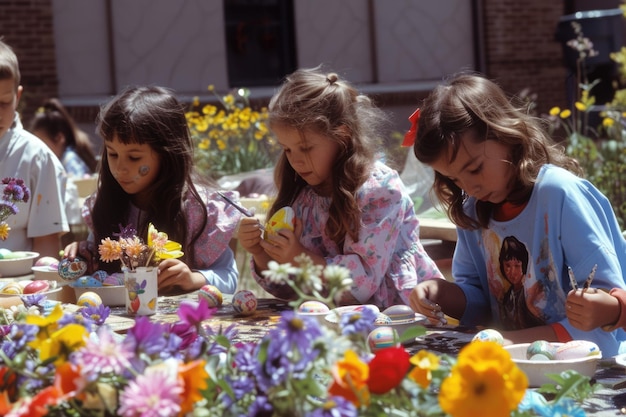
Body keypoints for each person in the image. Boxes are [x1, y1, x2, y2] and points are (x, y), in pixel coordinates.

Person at [406, 72, 626, 357]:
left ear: (506, 135)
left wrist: (609, 308)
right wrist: (439, 292)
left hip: (587, 367)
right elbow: (479, 301)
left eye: (474, 169)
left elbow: (602, 317)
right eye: (455, 179)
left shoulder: (559, 195)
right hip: (516, 365)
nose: (469, 186)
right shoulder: (473, 210)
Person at [237, 67, 445, 309]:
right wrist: (261, 253)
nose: (295, 160)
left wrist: (299, 258)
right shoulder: (304, 198)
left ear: (342, 136)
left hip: (404, 318)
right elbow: (289, 289)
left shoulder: (380, 190)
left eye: (305, 148)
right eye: (287, 149)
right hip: (337, 323)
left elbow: (363, 284)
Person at [62, 85, 241, 295]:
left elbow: (229, 276)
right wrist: (84, 253)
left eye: (134, 157)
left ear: (167, 155)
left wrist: (194, 278)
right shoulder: (107, 204)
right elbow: (101, 275)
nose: (120, 168)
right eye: (112, 154)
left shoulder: (198, 210)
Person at [0, 38, 69, 259]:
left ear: (17, 97)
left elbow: (46, 246)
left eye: (2, 103)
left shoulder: (37, 158)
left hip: (15, 285)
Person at [29, 97, 99, 177]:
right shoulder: (56, 162)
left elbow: (78, 187)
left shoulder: (70, 160)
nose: (39, 150)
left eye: (43, 144)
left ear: (59, 138)